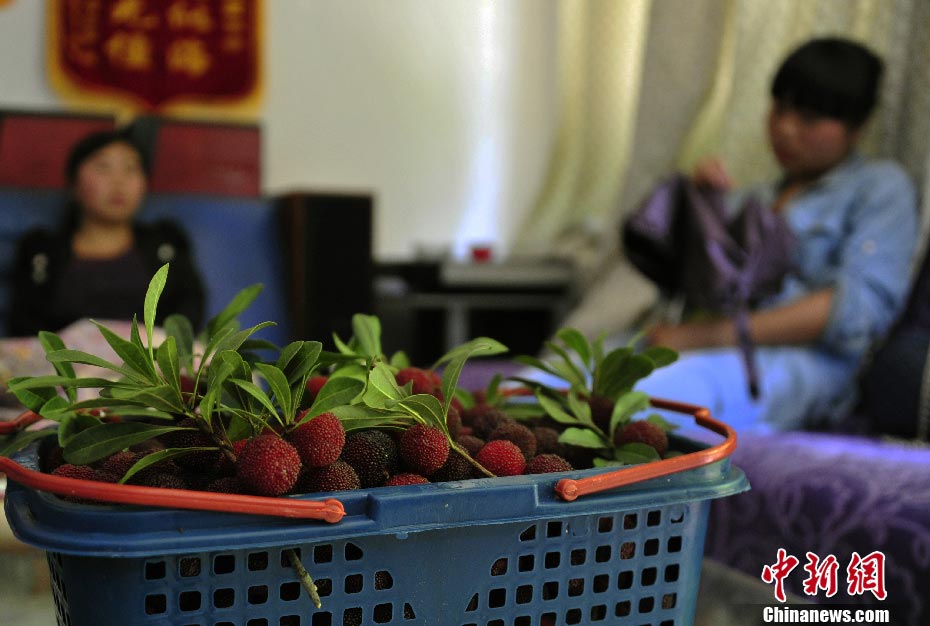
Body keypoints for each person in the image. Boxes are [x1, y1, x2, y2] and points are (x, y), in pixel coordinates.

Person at [632, 37, 918, 433]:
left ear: (857, 128)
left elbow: (855, 308)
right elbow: (696, 286)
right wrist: (702, 214)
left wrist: (707, 335)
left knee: (635, 405)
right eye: (780, 108)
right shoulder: (756, 197)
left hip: (801, 363)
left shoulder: (880, 187)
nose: (785, 129)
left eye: (810, 118)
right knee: (555, 384)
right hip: (705, 345)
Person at [8, 127, 205, 337]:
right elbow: (25, 325)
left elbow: (188, 314)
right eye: (103, 168)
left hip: (149, 366)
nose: (119, 182)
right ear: (74, 183)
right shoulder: (40, 250)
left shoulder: (166, 243)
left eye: (130, 169)